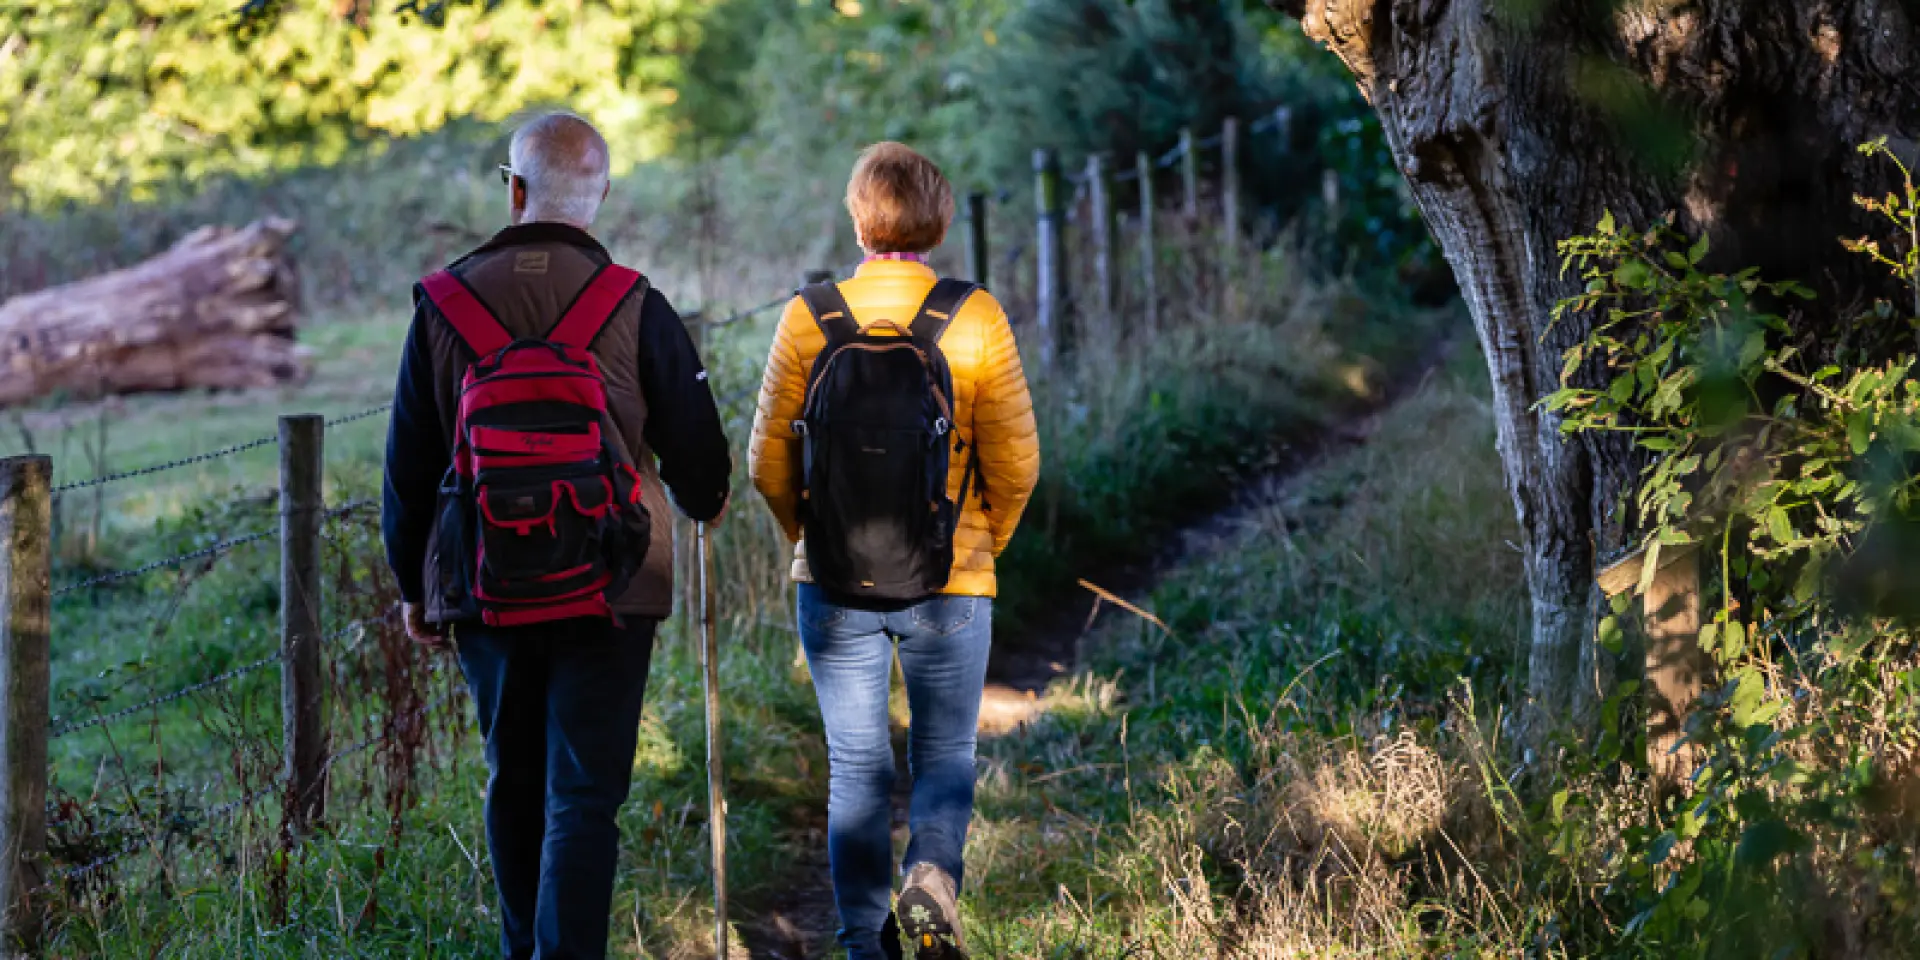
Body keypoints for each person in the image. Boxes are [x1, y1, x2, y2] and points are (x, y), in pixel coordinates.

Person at [381, 111, 731, 960]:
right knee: (584, 795)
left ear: (513, 190)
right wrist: (700, 497)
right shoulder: (635, 302)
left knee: (515, 781)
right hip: (612, 584)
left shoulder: (442, 301)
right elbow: (699, 459)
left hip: (482, 580)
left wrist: (413, 590)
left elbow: (407, 466)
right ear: (600, 196)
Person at [749, 142, 1041, 960]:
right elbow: (1017, 464)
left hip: (835, 581)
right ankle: (933, 879)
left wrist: (809, 539)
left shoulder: (810, 316)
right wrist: (981, 551)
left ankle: (860, 945)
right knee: (945, 751)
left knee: (855, 765)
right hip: (953, 580)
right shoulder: (973, 314)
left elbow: (766, 461)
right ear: (941, 222)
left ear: (856, 217)